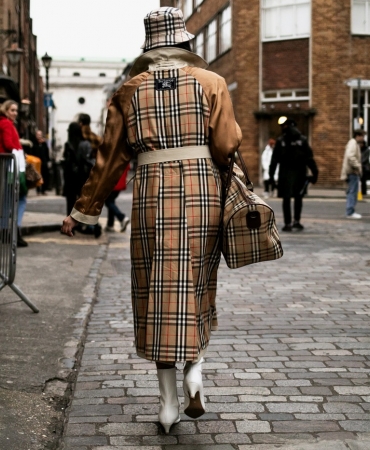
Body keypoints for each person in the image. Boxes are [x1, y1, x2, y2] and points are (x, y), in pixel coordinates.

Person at [61, 6, 241, 433]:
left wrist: (82, 210)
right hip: (202, 193)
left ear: (148, 48)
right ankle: (194, 370)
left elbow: (108, 159)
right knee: (196, 283)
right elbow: (227, 142)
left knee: (156, 289)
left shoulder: (128, 91)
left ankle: (166, 404)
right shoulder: (212, 82)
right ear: (184, 43)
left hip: (152, 195)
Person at [269, 117, 318, 232]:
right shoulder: (302, 140)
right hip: (300, 173)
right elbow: (309, 159)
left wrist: (271, 177)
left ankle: (288, 223)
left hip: (286, 174)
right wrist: (315, 173)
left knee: (287, 199)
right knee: (298, 197)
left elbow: (274, 160)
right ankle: (296, 221)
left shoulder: (281, 141)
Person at [62, 122, 102, 238]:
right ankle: (92, 225)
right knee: (84, 202)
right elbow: (88, 159)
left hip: (70, 177)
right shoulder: (85, 143)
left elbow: (66, 160)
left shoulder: (68, 144)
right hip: (82, 176)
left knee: (70, 201)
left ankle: (70, 226)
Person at [0, 100, 28, 247]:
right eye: (12, 110)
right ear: (5, 110)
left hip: (6, 164)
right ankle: (15, 230)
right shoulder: (6, 124)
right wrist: (20, 150)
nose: (15, 113)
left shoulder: (5, 123)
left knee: (7, 198)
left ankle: (4, 230)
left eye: (16, 110)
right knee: (21, 197)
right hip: (10, 165)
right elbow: (8, 143)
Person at [341, 129, 365, 219]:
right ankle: (350, 212)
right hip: (352, 172)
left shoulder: (354, 143)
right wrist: (358, 166)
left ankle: (350, 211)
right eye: (362, 136)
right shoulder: (353, 143)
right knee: (352, 192)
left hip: (351, 172)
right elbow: (350, 156)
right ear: (358, 136)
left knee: (351, 191)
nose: (363, 138)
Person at [104, 165, 130, 232]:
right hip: (119, 183)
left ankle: (122, 218)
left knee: (108, 201)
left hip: (113, 183)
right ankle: (110, 225)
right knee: (111, 201)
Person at [30, 130, 50, 195]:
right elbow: (32, 152)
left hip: (43, 162)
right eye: (38, 135)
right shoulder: (34, 143)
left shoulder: (44, 144)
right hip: (36, 162)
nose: (39, 136)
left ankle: (43, 190)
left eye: (40, 135)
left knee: (44, 176)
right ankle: (38, 190)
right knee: (37, 176)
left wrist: (48, 161)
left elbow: (46, 152)